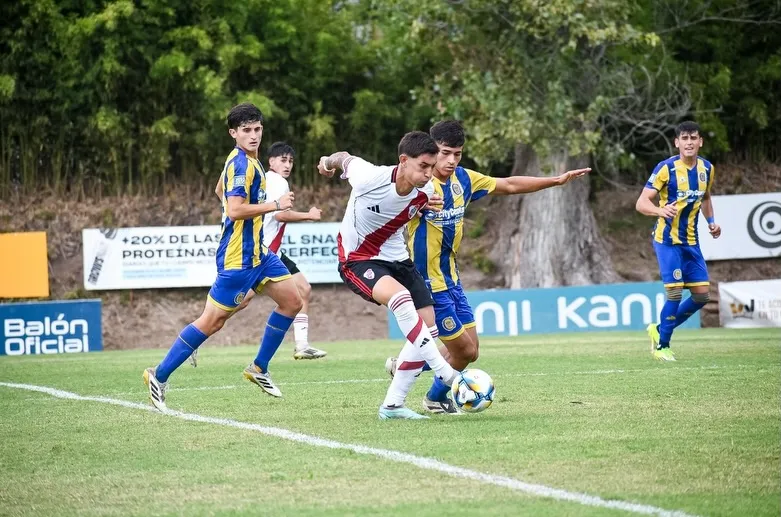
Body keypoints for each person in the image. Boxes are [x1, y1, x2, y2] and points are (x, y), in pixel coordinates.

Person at [387, 120, 590, 414]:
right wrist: (414, 204)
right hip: (428, 284)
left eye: (457, 154)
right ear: (432, 151)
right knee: (464, 350)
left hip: (452, 279)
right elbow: (389, 205)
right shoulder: (418, 184)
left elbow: (507, 184)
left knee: (471, 351)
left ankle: (410, 370)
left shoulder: (464, 181)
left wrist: (555, 181)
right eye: (445, 153)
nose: (451, 161)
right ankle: (431, 395)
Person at [143, 103, 303, 410]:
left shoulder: (247, 161)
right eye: (246, 131)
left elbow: (220, 190)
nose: (253, 135)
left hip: (259, 253)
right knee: (213, 322)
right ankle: (158, 374)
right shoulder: (241, 164)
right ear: (233, 133)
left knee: (293, 301)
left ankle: (258, 367)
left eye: (257, 129)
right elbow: (233, 209)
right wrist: (274, 205)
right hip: (237, 260)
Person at [318, 131, 459, 420]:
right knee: (401, 298)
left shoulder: (427, 191)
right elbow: (343, 157)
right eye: (423, 166)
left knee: (429, 328)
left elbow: (410, 210)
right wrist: (327, 163)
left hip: (398, 260)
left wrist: (422, 207)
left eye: (431, 167)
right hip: (358, 259)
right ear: (403, 161)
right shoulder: (369, 177)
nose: (428, 174)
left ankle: (393, 406)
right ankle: (447, 375)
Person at [190, 142, 326, 367]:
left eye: (290, 161)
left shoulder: (260, 176)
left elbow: (219, 191)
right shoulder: (276, 180)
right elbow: (280, 215)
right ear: (271, 161)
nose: (288, 165)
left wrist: (233, 207)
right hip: (261, 253)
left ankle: (302, 345)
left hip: (272, 251)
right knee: (240, 302)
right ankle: (197, 336)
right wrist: (308, 215)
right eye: (283, 160)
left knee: (303, 289)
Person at [635, 120, 721, 361]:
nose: (689, 142)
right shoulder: (666, 169)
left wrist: (711, 222)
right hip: (666, 240)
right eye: (685, 138)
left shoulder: (707, 169)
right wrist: (660, 211)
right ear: (677, 143)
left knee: (702, 296)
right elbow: (641, 203)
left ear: (700, 141)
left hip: (691, 242)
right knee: (674, 293)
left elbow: (705, 198)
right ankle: (663, 346)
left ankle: (660, 328)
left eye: (694, 138)